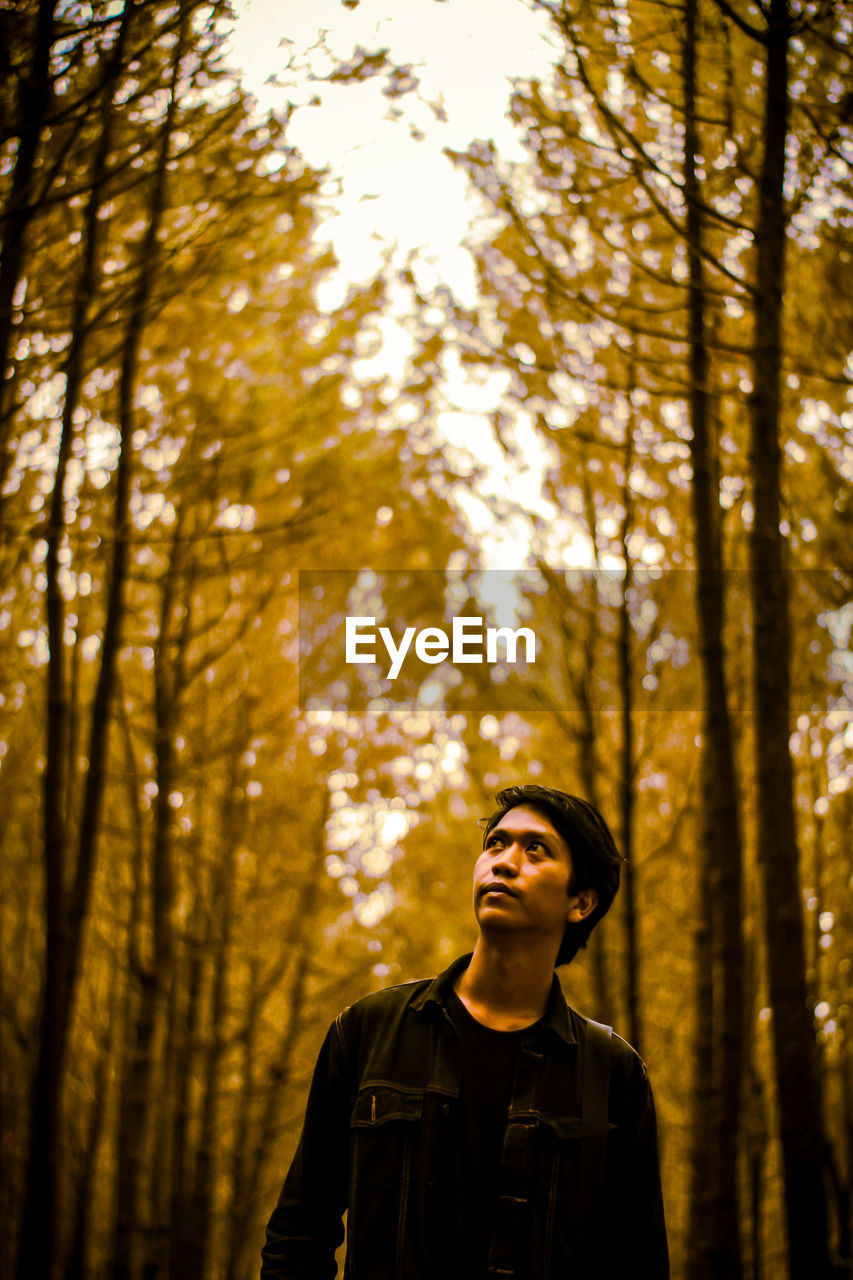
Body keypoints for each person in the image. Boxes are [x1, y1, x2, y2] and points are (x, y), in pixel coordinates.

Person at [261, 783, 669, 1279]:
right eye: (495, 843)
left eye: (534, 848)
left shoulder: (614, 1075)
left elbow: (637, 1265)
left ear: (581, 902)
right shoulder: (368, 1031)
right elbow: (299, 1236)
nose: (502, 861)